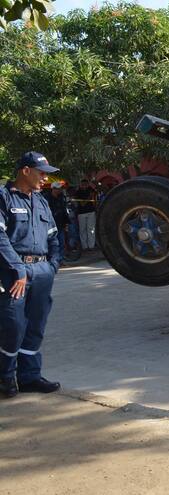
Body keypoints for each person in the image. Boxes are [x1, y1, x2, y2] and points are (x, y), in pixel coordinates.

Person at [0, 152, 63, 399]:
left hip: (42, 271)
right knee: (13, 325)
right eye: (42, 172)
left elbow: (53, 236)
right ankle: (6, 378)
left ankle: (29, 377)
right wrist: (17, 269)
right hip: (14, 272)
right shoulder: (3, 198)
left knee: (36, 325)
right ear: (25, 171)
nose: (45, 178)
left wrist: (54, 265)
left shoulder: (41, 201)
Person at [42, 182, 70, 257]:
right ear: (53, 189)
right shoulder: (46, 198)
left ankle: (60, 260)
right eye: (58, 188)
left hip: (60, 224)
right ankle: (52, 259)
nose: (60, 190)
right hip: (50, 225)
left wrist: (66, 223)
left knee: (61, 243)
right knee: (52, 244)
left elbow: (64, 211)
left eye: (60, 188)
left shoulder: (61, 197)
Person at [73, 179, 97, 250]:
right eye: (83, 184)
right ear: (80, 184)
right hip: (81, 213)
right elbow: (82, 204)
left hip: (91, 212)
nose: (84, 186)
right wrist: (90, 197)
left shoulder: (91, 189)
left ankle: (91, 246)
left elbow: (95, 196)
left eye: (86, 184)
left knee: (91, 229)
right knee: (82, 230)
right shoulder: (78, 192)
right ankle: (85, 246)